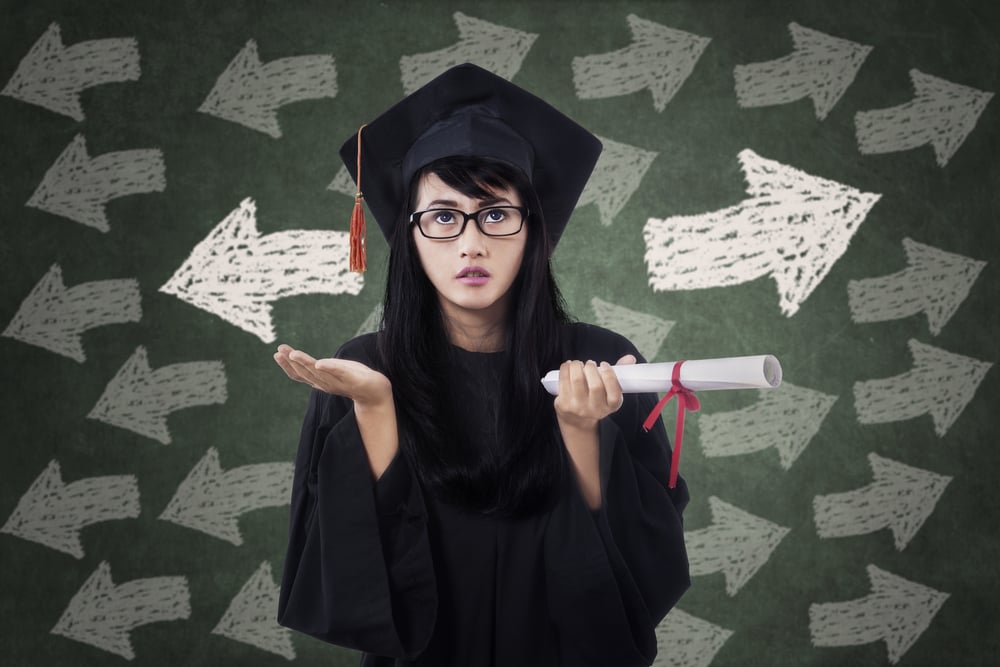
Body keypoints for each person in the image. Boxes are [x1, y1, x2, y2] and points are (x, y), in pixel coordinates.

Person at [273, 63, 690, 667]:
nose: (471, 243)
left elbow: (636, 572)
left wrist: (582, 432)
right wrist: (375, 410)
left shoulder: (602, 362)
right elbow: (356, 579)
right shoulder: (365, 370)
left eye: (496, 213)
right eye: (442, 216)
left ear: (532, 231)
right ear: (409, 235)